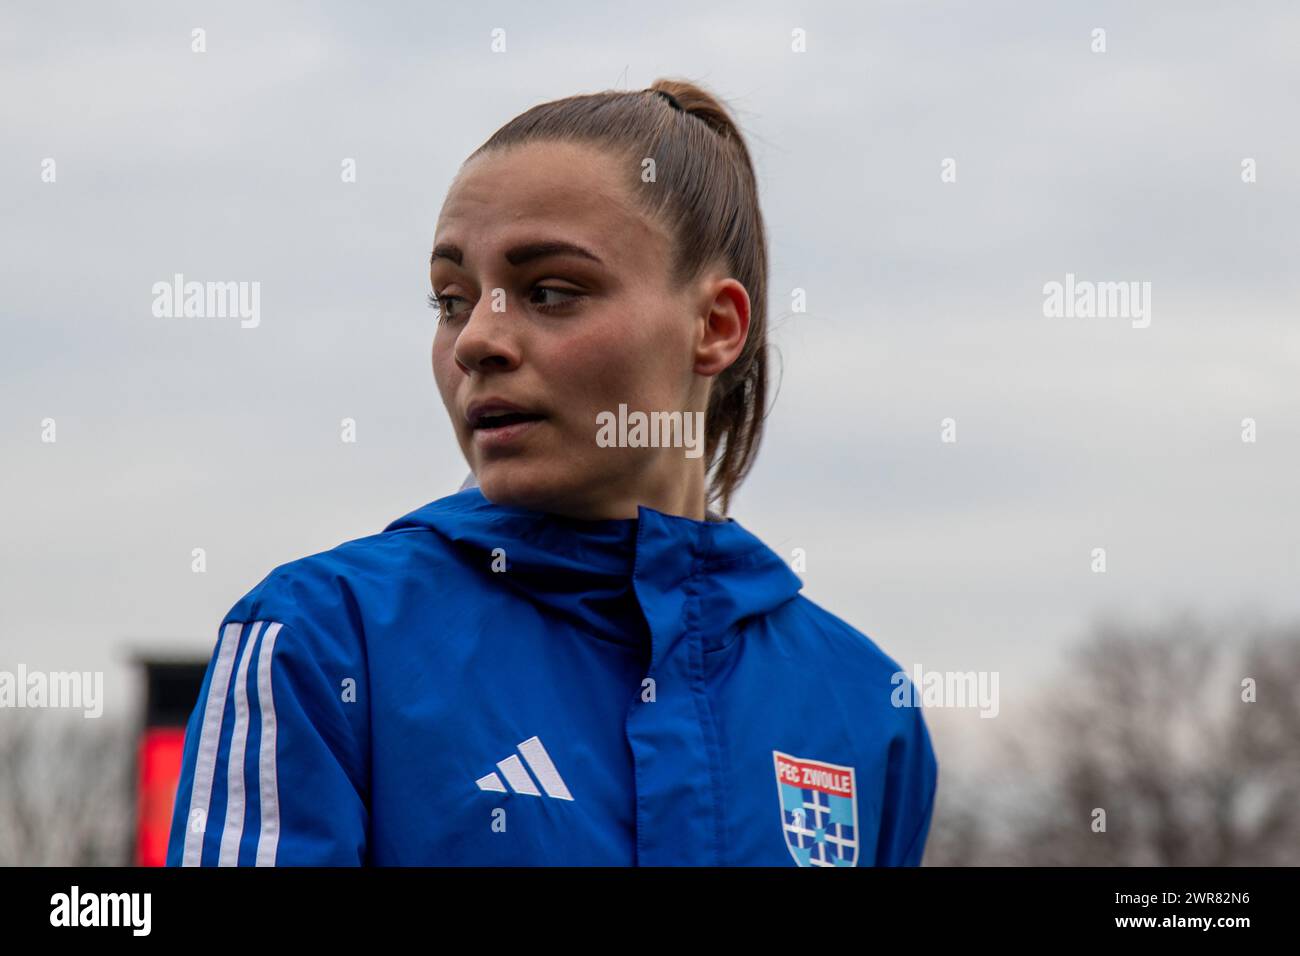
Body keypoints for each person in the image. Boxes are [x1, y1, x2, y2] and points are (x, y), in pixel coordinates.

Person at [166, 79, 938, 866]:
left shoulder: (867, 710)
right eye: (451, 299)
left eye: (549, 291)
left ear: (714, 327)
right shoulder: (322, 638)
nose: (476, 341)